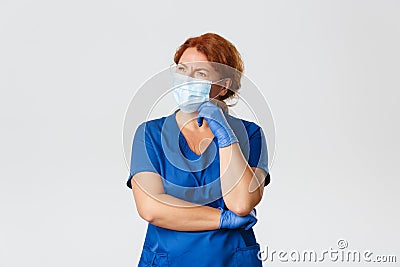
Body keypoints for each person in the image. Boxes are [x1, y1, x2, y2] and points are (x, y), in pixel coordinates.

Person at [126, 32, 271, 267]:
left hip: (231, 260)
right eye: (182, 70)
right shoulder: (149, 134)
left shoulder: (250, 135)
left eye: (200, 73)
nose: (187, 80)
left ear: (223, 86)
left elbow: (241, 203)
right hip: (168, 260)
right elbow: (151, 208)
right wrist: (223, 219)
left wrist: (225, 135)